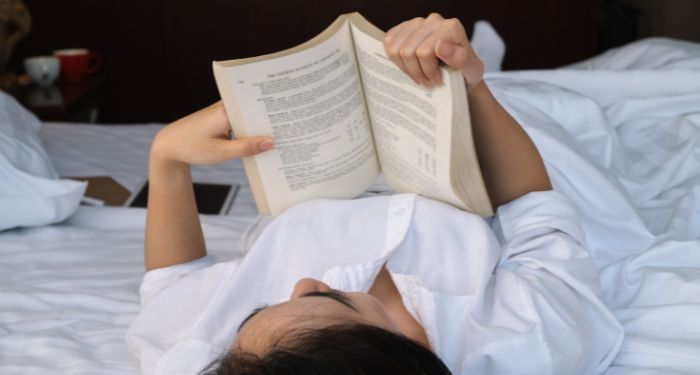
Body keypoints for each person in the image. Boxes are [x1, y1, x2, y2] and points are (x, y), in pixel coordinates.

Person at [127, 13, 622, 374]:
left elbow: (171, 285)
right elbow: (535, 208)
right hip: (491, 160)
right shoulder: (525, 342)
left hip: (327, 162)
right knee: (564, 107)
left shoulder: (226, 359)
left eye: (258, 312)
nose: (302, 282)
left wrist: (167, 157)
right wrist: (470, 87)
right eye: (335, 300)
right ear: (404, 353)